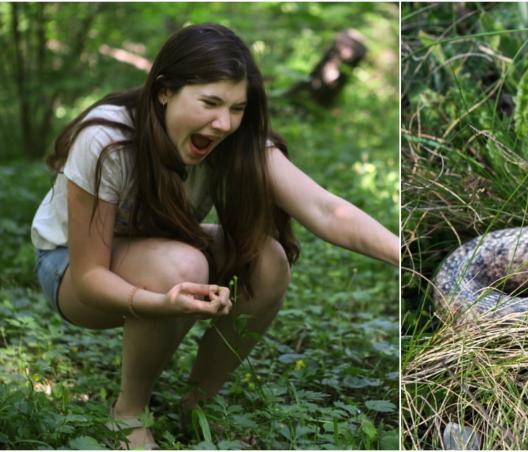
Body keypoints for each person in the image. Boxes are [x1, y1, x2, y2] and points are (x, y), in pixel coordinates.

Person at [30, 23, 399, 449]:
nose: (223, 123)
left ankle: (198, 404)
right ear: (165, 90)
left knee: (268, 259)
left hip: (155, 254)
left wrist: (403, 253)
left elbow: (325, 209)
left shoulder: (234, 142)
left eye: (237, 108)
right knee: (184, 264)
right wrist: (159, 304)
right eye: (210, 103)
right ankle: (128, 411)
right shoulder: (108, 140)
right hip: (71, 271)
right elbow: (91, 276)